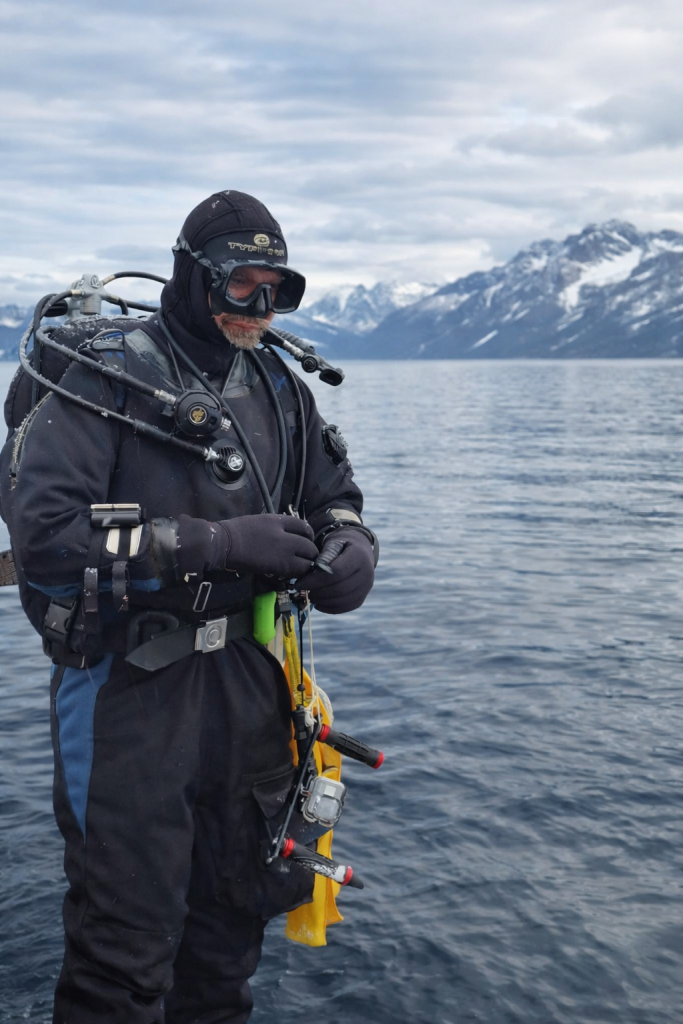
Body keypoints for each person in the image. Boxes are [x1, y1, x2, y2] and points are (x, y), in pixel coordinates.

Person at [0, 190, 377, 1023]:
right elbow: (47, 540)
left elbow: (334, 498)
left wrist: (352, 549)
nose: (260, 306)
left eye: (276, 287)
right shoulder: (102, 383)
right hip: (129, 689)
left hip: (248, 684)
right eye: (241, 285)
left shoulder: (279, 387)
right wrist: (218, 544)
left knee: (228, 934)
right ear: (191, 277)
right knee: (122, 951)